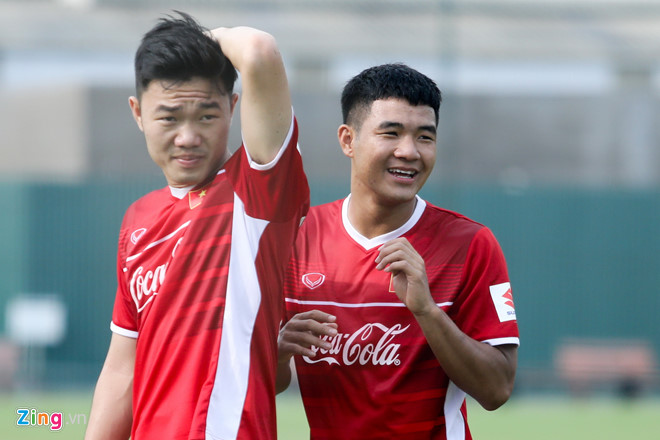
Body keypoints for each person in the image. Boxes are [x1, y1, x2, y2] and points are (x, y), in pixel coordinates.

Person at [85, 12, 309, 440]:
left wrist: (201, 38)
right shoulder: (138, 220)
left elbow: (259, 50)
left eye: (206, 116)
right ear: (138, 113)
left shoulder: (257, 192)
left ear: (233, 107)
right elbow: (123, 369)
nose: (187, 137)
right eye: (169, 118)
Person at [276, 63, 519, 439]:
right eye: (391, 133)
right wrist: (277, 353)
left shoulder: (470, 243)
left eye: (425, 137)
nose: (409, 151)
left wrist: (427, 311)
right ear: (348, 140)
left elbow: (497, 389)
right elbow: (270, 381)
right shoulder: (296, 239)